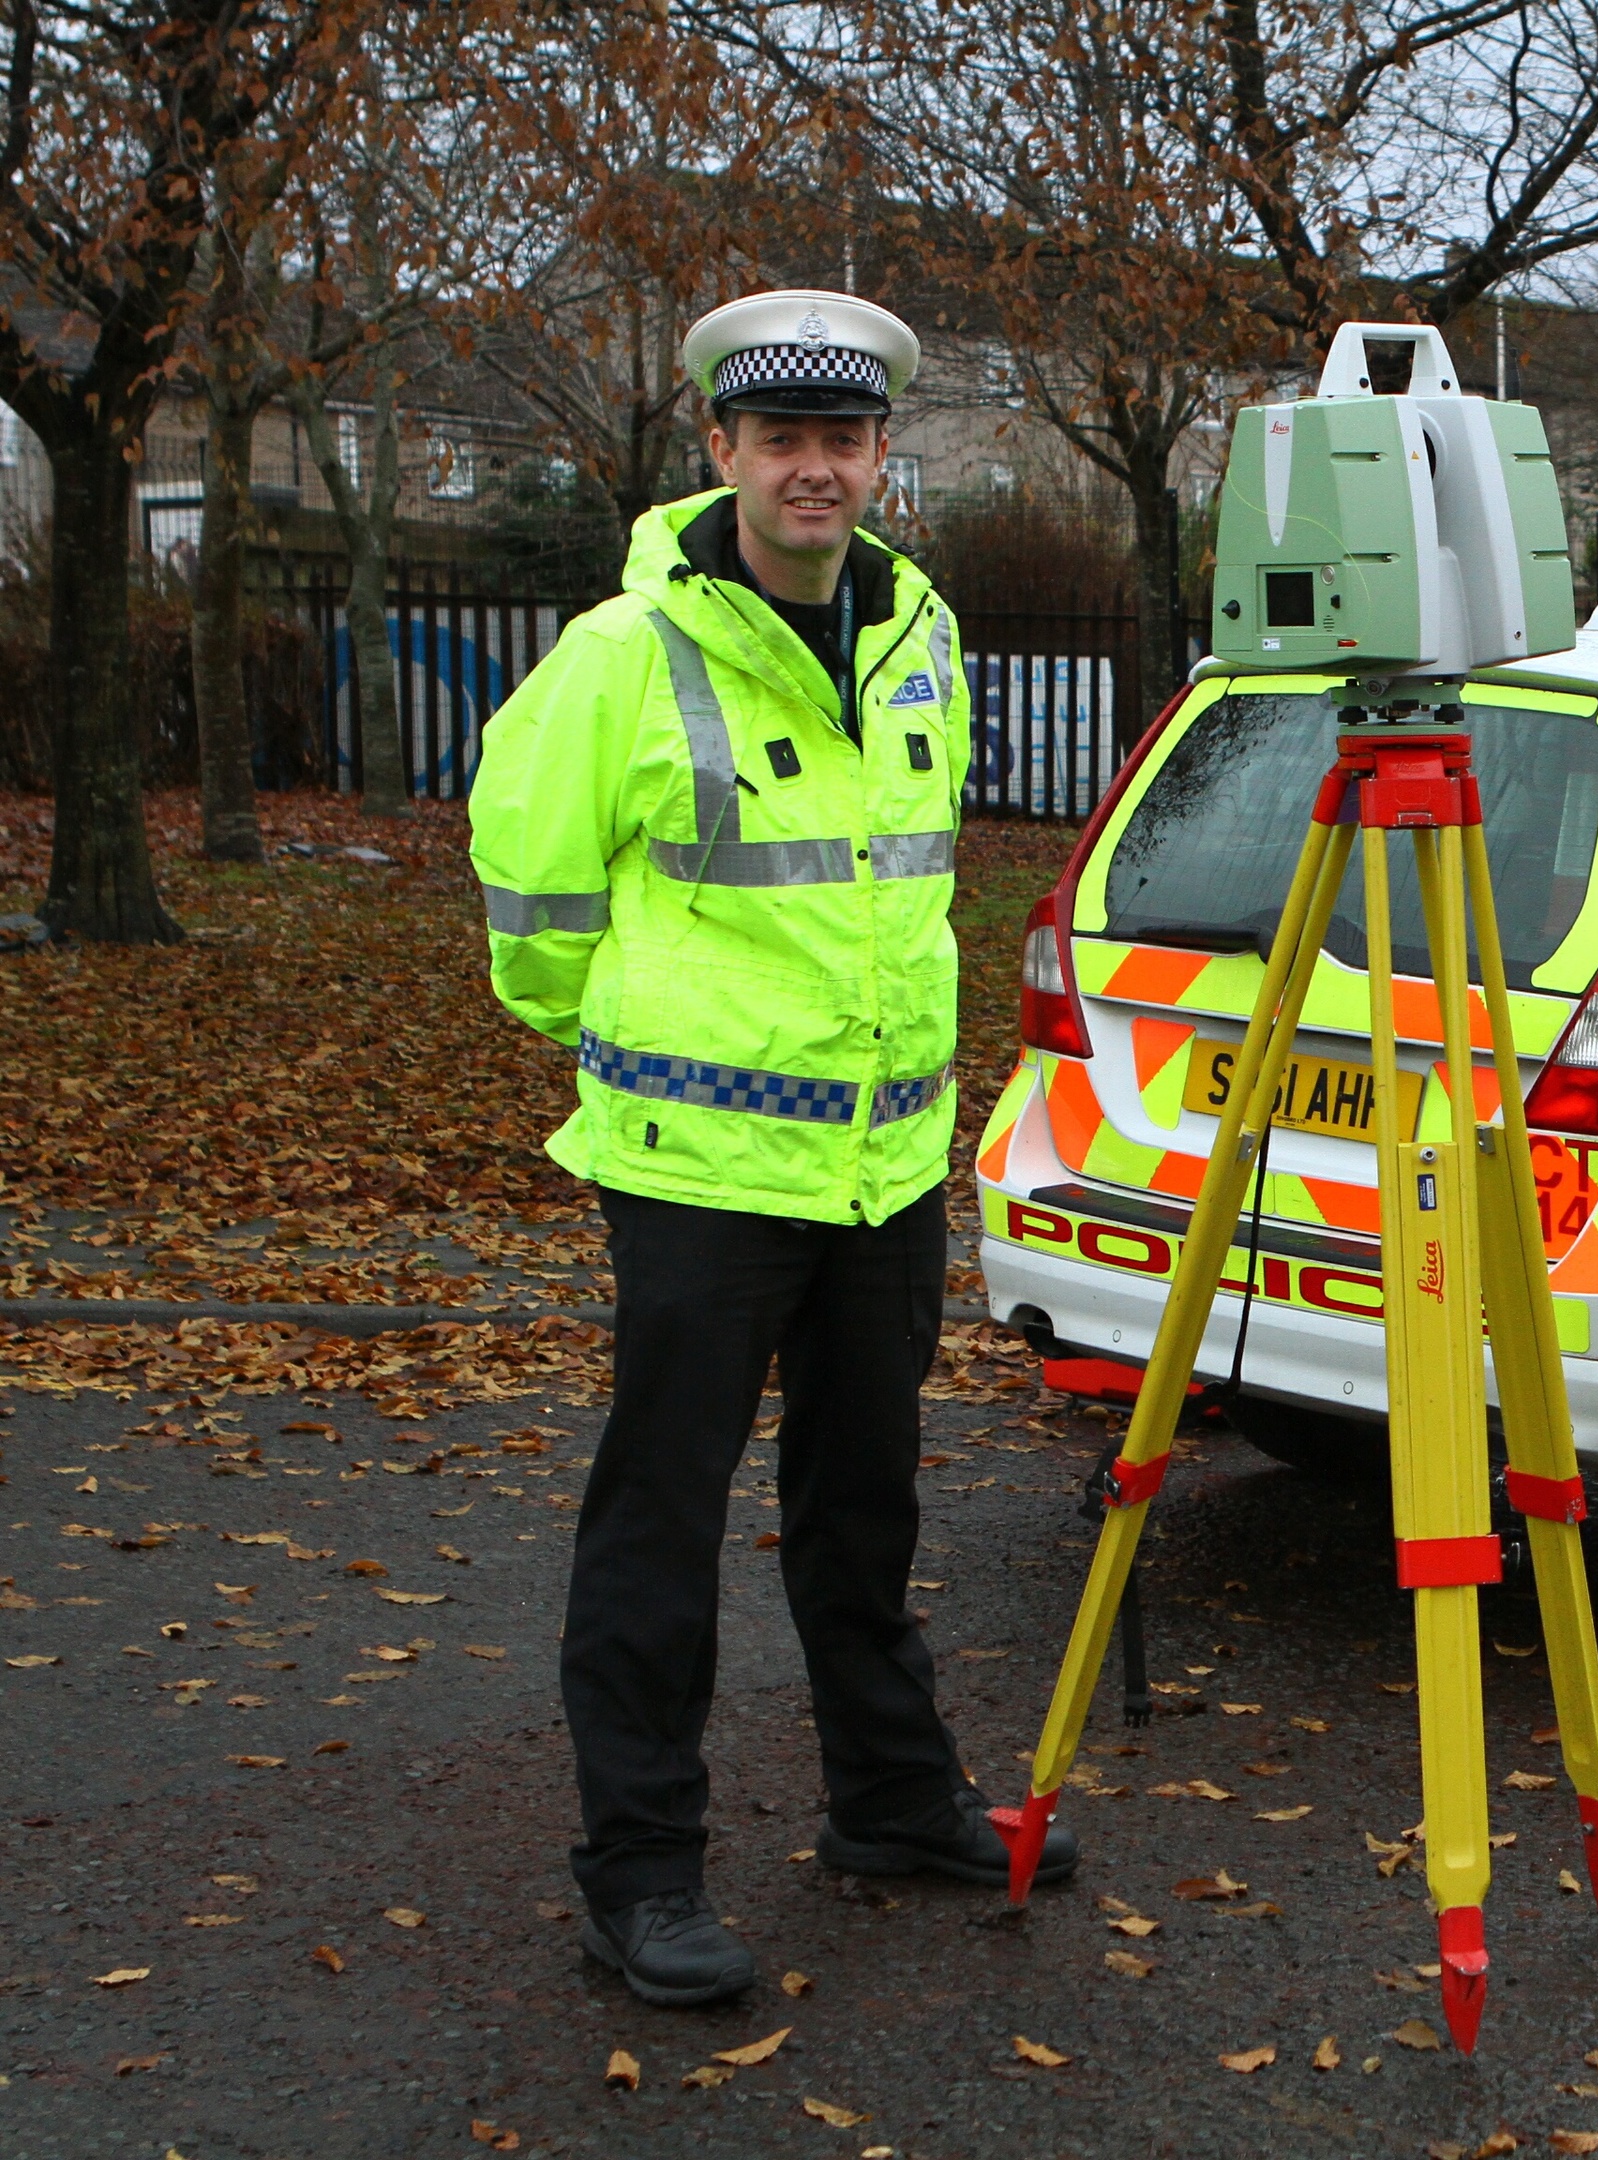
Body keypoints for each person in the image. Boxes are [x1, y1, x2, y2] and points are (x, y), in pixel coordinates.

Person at [467, 288, 1074, 2008]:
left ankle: (890, 1802)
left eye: (845, 439)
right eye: (781, 439)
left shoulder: (923, 639)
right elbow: (534, 907)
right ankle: (639, 1873)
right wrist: (644, 1040)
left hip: (882, 1171)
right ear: (721, 450)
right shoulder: (622, 654)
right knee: (659, 1529)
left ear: (883, 454)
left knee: (863, 1510)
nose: (816, 469)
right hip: (695, 1173)